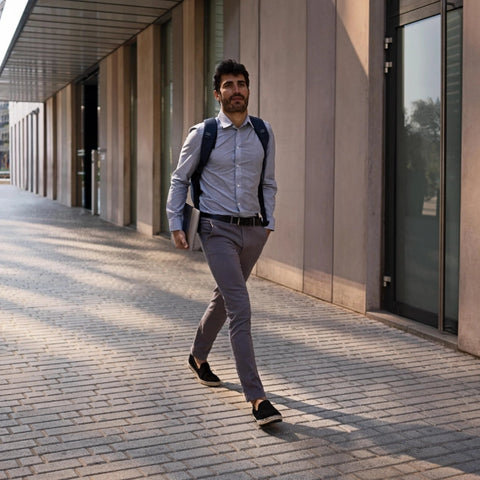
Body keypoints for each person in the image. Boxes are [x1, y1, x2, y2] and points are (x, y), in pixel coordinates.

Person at [166, 59, 282, 426]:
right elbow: (179, 178)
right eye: (228, 85)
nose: (236, 90)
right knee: (240, 307)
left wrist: (268, 224)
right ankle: (257, 398)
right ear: (218, 94)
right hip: (215, 229)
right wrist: (175, 222)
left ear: (249, 89)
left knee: (224, 297)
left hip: (253, 231)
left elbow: (269, 183)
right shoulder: (203, 133)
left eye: (241, 84)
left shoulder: (263, 133)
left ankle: (197, 355)